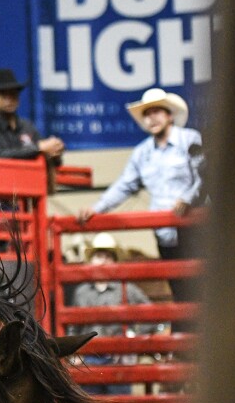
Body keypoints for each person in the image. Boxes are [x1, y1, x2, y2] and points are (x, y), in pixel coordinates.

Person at [77, 87, 204, 304]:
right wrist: (96, 208)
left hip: (195, 229)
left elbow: (205, 176)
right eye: (147, 113)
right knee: (180, 290)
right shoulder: (142, 153)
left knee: (201, 286)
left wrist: (188, 199)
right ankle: (186, 332)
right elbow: (124, 185)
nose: (152, 117)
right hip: (165, 233)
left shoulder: (190, 139)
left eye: (157, 111)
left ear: (169, 115)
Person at [72, 233, 156, 394]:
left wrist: (132, 335)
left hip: (118, 359)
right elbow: (73, 326)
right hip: (88, 359)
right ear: (92, 261)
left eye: (108, 256)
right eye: (98, 255)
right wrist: (74, 353)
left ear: (114, 261)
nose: (103, 260)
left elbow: (152, 314)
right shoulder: (81, 292)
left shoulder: (127, 288)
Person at [0, 67, 65, 164]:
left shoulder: (27, 126)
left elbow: (46, 152)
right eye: (3, 94)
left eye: (13, 94)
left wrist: (54, 150)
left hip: (29, 178)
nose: (9, 99)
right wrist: (38, 148)